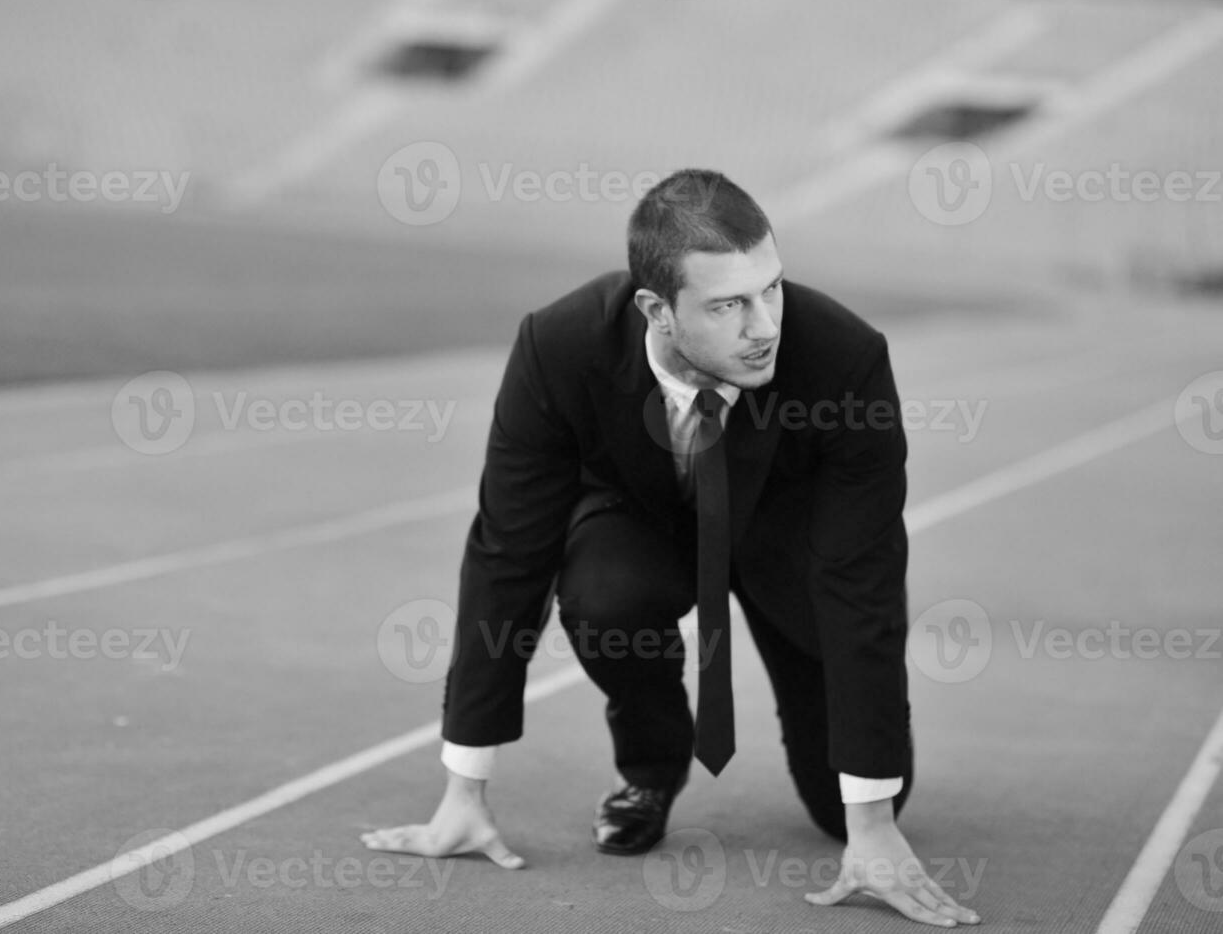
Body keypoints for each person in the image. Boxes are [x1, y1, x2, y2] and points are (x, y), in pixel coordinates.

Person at [361, 169, 980, 928]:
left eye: (771, 289)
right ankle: (650, 770)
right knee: (602, 597)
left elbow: (866, 580)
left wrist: (874, 826)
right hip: (641, 525)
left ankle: (852, 795)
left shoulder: (844, 359)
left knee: (842, 806)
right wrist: (465, 787)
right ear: (657, 309)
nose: (764, 327)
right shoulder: (561, 347)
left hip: (791, 539)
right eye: (728, 306)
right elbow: (506, 554)